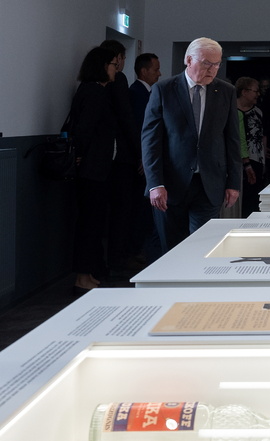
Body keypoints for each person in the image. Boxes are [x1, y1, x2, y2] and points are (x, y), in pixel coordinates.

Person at [141, 37, 241, 253]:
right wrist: (155, 183)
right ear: (188, 60)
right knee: (172, 250)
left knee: (204, 249)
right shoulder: (164, 89)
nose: (212, 70)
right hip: (170, 185)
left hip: (209, 184)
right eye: (207, 63)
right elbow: (150, 140)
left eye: (217, 64)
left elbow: (233, 139)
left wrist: (234, 182)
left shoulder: (226, 91)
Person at [69, 47, 119, 291]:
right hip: (93, 170)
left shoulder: (91, 91)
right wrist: (82, 156)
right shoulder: (95, 92)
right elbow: (85, 130)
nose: (115, 68)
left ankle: (87, 274)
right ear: (101, 66)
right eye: (111, 64)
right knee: (90, 224)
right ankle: (82, 276)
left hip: (93, 168)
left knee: (92, 223)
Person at [100, 40, 141, 275]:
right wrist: (139, 154)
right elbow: (126, 118)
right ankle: (117, 262)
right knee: (122, 212)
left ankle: (109, 262)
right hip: (122, 157)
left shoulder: (95, 83)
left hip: (104, 159)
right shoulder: (120, 80)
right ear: (119, 57)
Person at [128, 53, 162, 264]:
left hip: (146, 159)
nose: (159, 73)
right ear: (144, 71)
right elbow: (143, 129)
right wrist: (144, 157)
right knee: (140, 210)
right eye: (156, 69)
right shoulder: (137, 94)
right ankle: (138, 249)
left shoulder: (147, 92)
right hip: (141, 160)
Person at [235, 77, 265, 217]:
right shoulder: (230, 111)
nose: (258, 94)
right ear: (244, 92)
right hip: (237, 164)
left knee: (255, 201)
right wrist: (246, 164)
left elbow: (262, 136)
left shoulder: (258, 112)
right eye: (255, 91)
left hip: (257, 161)